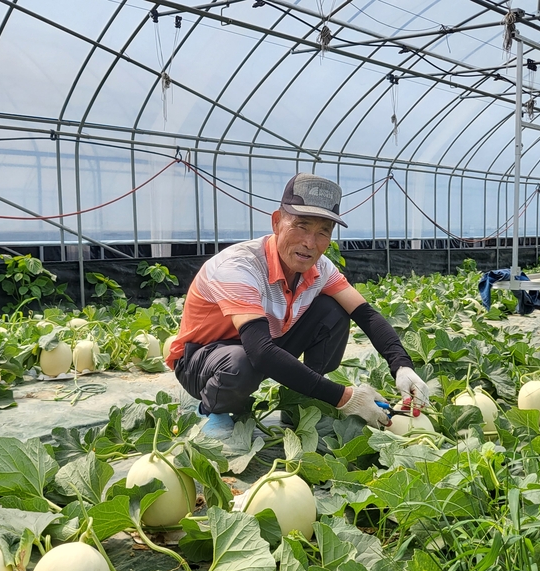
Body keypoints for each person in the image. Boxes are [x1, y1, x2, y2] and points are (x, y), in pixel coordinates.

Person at [164, 173, 430, 432]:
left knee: (334, 311)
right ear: (277, 222)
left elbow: (365, 315)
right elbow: (259, 351)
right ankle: (213, 408)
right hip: (202, 361)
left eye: (323, 232)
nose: (309, 243)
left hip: (260, 347)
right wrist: (345, 397)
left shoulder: (320, 268)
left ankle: (303, 396)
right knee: (241, 362)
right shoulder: (240, 266)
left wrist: (402, 366)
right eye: (301, 226)